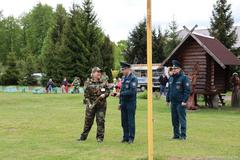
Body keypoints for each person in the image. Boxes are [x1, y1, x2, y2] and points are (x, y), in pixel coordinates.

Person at [77, 67, 110, 143]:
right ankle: (83, 137)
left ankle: (100, 138)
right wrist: (89, 104)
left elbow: (108, 91)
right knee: (88, 121)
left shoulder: (104, 82)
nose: (99, 73)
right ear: (93, 73)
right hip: (91, 105)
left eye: (100, 72)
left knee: (100, 121)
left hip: (101, 106)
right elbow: (86, 96)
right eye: (97, 72)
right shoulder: (88, 83)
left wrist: (104, 95)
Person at [166, 60, 191, 140]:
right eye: (173, 68)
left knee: (182, 119)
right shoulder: (171, 78)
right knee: (174, 119)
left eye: (176, 68)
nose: (174, 70)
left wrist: (184, 101)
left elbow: (187, 90)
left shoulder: (184, 78)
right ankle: (176, 135)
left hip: (180, 102)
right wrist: (168, 100)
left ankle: (183, 135)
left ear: (180, 69)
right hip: (173, 102)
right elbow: (169, 90)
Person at [117, 62, 138, 144]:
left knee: (130, 121)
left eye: (123, 69)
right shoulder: (123, 78)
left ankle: (131, 138)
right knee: (124, 121)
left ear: (128, 69)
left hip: (130, 103)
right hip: (124, 103)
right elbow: (122, 90)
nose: (122, 71)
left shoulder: (134, 78)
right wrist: (120, 102)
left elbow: (132, 92)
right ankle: (125, 137)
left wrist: (120, 94)